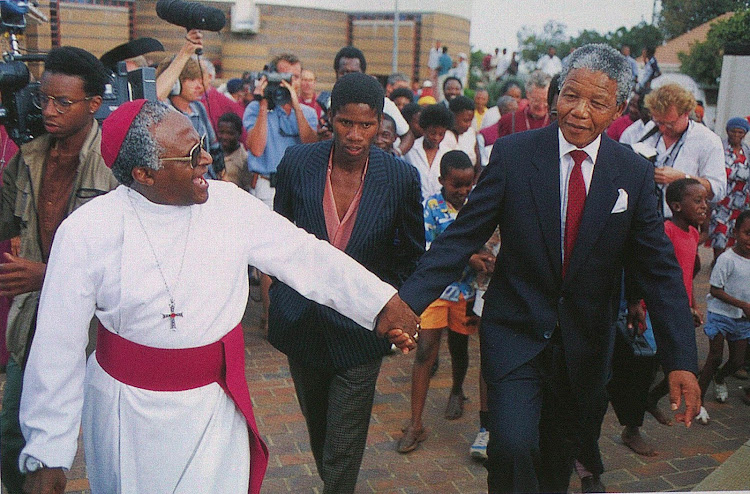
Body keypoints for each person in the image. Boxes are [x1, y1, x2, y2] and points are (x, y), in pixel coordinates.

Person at [18, 99, 419, 494]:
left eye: (203, 145)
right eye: (191, 155)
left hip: (213, 407)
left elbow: (305, 255)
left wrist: (379, 303)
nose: (206, 161)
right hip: (128, 414)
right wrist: (46, 451)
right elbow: (57, 346)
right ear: (144, 173)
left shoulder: (228, 206)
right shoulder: (87, 231)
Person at [396, 43, 701, 493]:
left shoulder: (631, 173)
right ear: (557, 95)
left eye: (597, 103)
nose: (578, 112)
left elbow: (659, 271)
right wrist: (408, 302)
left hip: (586, 345)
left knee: (558, 456)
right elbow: (460, 237)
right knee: (513, 447)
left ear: (617, 109)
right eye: (570, 96)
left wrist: (681, 359)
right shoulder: (514, 155)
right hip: (516, 333)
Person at [269, 73, 424, 493]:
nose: (355, 135)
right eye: (345, 123)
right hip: (302, 323)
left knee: (344, 442)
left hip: (362, 330)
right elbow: (276, 241)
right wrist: (276, 296)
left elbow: (411, 256)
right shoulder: (298, 163)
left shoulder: (399, 178)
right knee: (320, 430)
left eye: (366, 125)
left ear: (379, 123)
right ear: (329, 118)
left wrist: (397, 312)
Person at [0, 47, 118, 494]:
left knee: (107, 443)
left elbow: (128, 259)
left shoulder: (115, 164)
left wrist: (46, 275)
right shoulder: (28, 158)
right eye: (43, 99)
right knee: (15, 438)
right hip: (33, 322)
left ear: (93, 104)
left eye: (62, 103)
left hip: (99, 330)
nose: (48, 111)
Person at [609, 178, 706, 454]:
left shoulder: (693, 234)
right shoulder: (665, 231)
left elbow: (685, 276)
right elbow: (646, 269)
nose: (704, 207)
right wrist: (636, 302)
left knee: (674, 365)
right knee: (644, 368)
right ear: (675, 206)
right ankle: (633, 427)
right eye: (697, 201)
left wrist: (692, 305)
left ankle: (649, 401)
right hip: (652, 313)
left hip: (677, 311)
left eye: (704, 201)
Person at [397, 150, 483, 454]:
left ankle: (457, 389)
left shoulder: (477, 206)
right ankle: (415, 423)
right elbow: (428, 245)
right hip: (436, 291)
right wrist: (468, 256)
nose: (461, 192)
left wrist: (483, 257)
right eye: (455, 185)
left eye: (467, 185)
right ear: (441, 181)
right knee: (425, 351)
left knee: (460, 349)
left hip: (465, 291)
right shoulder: (431, 207)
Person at [696, 210, 750, 419]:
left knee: (737, 362)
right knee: (715, 356)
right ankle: (698, 401)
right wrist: (742, 304)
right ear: (735, 232)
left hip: (742, 319)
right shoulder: (727, 259)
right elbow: (715, 290)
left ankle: (720, 378)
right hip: (721, 315)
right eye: (747, 233)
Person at [642, 83, 726, 217]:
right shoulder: (647, 131)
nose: (663, 129)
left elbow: (718, 190)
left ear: (686, 113)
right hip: (644, 219)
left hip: (680, 223)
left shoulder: (708, 140)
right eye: (659, 123)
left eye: (670, 124)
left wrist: (682, 178)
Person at [330, 46, 413, 155]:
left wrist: (395, 154)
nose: (349, 77)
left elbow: (408, 136)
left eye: (354, 72)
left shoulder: (384, 103)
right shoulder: (329, 102)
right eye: (344, 72)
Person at [706, 117, 750, 264]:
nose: (736, 135)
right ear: (727, 131)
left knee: (737, 231)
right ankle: (717, 261)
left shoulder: (747, 151)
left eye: (740, 132)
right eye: (733, 131)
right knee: (720, 231)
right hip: (722, 200)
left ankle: (730, 261)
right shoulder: (719, 148)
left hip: (741, 200)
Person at [479, 71, 551, 147]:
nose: (541, 106)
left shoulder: (556, 122)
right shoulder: (508, 121)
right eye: (537, 100)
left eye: (545, 100)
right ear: (528, 94)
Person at [403, 104, 454, 200]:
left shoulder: (448, 152)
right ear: (424, 129)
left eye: (441, 134)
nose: (436, 138)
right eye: (432, 133)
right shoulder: (410, 150)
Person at [443, 96, 481, 178]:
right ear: (453, 116)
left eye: (471, 120)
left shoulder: (471, 134)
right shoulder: (442, 135)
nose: (469, 125)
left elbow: (478, 168)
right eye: (465, 120)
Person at [217, 112, 251, 191]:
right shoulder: (211, 154)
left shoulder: (244, 160)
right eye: (221, 132)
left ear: (239, 134)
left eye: (230, 133)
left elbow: (247, 189)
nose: (224, 137)